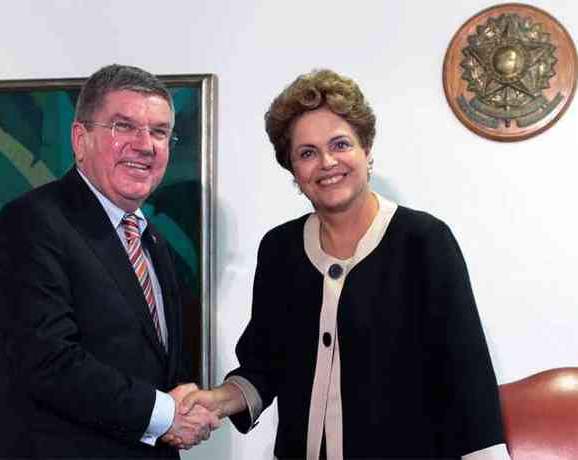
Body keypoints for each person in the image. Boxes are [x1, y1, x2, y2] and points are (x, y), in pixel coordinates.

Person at [176, 69, 511, 459]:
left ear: (366, 150)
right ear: (293, 170)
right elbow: (264, 364)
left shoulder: (424, 241)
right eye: (307, 153)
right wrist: (216, 400)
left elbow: (466, 375)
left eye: (340, 144)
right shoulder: (280, 249)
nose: (327, 162)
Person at [0, 64, 219, 459]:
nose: (145, 145)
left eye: (159, 131)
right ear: (80, 138)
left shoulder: (152, 240)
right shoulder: (32, 221)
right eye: (123, 126)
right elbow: (49, 362)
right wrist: (166, 414)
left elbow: (148, 368)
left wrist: (188, 410)